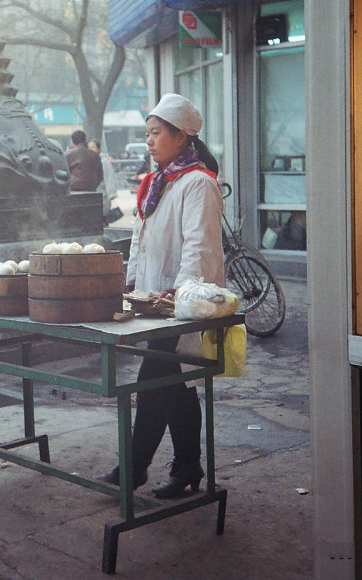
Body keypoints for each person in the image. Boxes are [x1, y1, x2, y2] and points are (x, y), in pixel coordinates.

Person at [99, 93, 224, 499]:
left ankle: (134, 468)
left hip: (182, 304)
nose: (149, 141)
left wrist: (178, 300)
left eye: (156, 133)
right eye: (147, 133)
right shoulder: (156, 183)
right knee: (178, 383)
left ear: (181, 136)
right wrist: (130, 285)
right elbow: (140, 240)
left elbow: (199, 249)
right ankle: (188, 466)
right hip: (152, 302)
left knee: (155, 381)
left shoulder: (198, 183)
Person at [88, 138, 120, 223]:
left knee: (103, 219)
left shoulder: (104, 161)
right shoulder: (88, 161)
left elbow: (109, 178)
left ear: (98, 149)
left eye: (93, 147)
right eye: (89, 147)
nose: (90, 150)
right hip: (92, 196)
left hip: (103, 196)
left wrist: (111, 194)